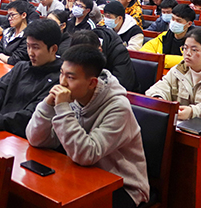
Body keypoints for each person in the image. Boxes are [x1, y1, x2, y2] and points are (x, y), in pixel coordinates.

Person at [26, 45, 149, 208]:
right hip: (81, 173)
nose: (62, 83)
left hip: (122, 186)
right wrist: (47, 106)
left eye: (70, 77)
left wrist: (62, 109)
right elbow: (36, 139)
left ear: (92, 83)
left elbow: (86, 154)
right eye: (61, 73)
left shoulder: (118, 108)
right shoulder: (73, 97)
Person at [141, 4, 195, 69]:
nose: (174, 22)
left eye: (178, 21)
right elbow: (144, 52)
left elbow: (191, 61)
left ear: (189, 24)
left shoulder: (195, 41)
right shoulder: (164, 36)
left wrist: (161, 59)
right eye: (173, 19)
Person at [0, 0, 29, 65]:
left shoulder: (28, 36)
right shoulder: (7, 32)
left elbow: (15, 61)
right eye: (9, 15)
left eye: (12, 15)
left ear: (23, 15)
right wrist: (3, 62)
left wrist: (0, 55)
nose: (9, 18)